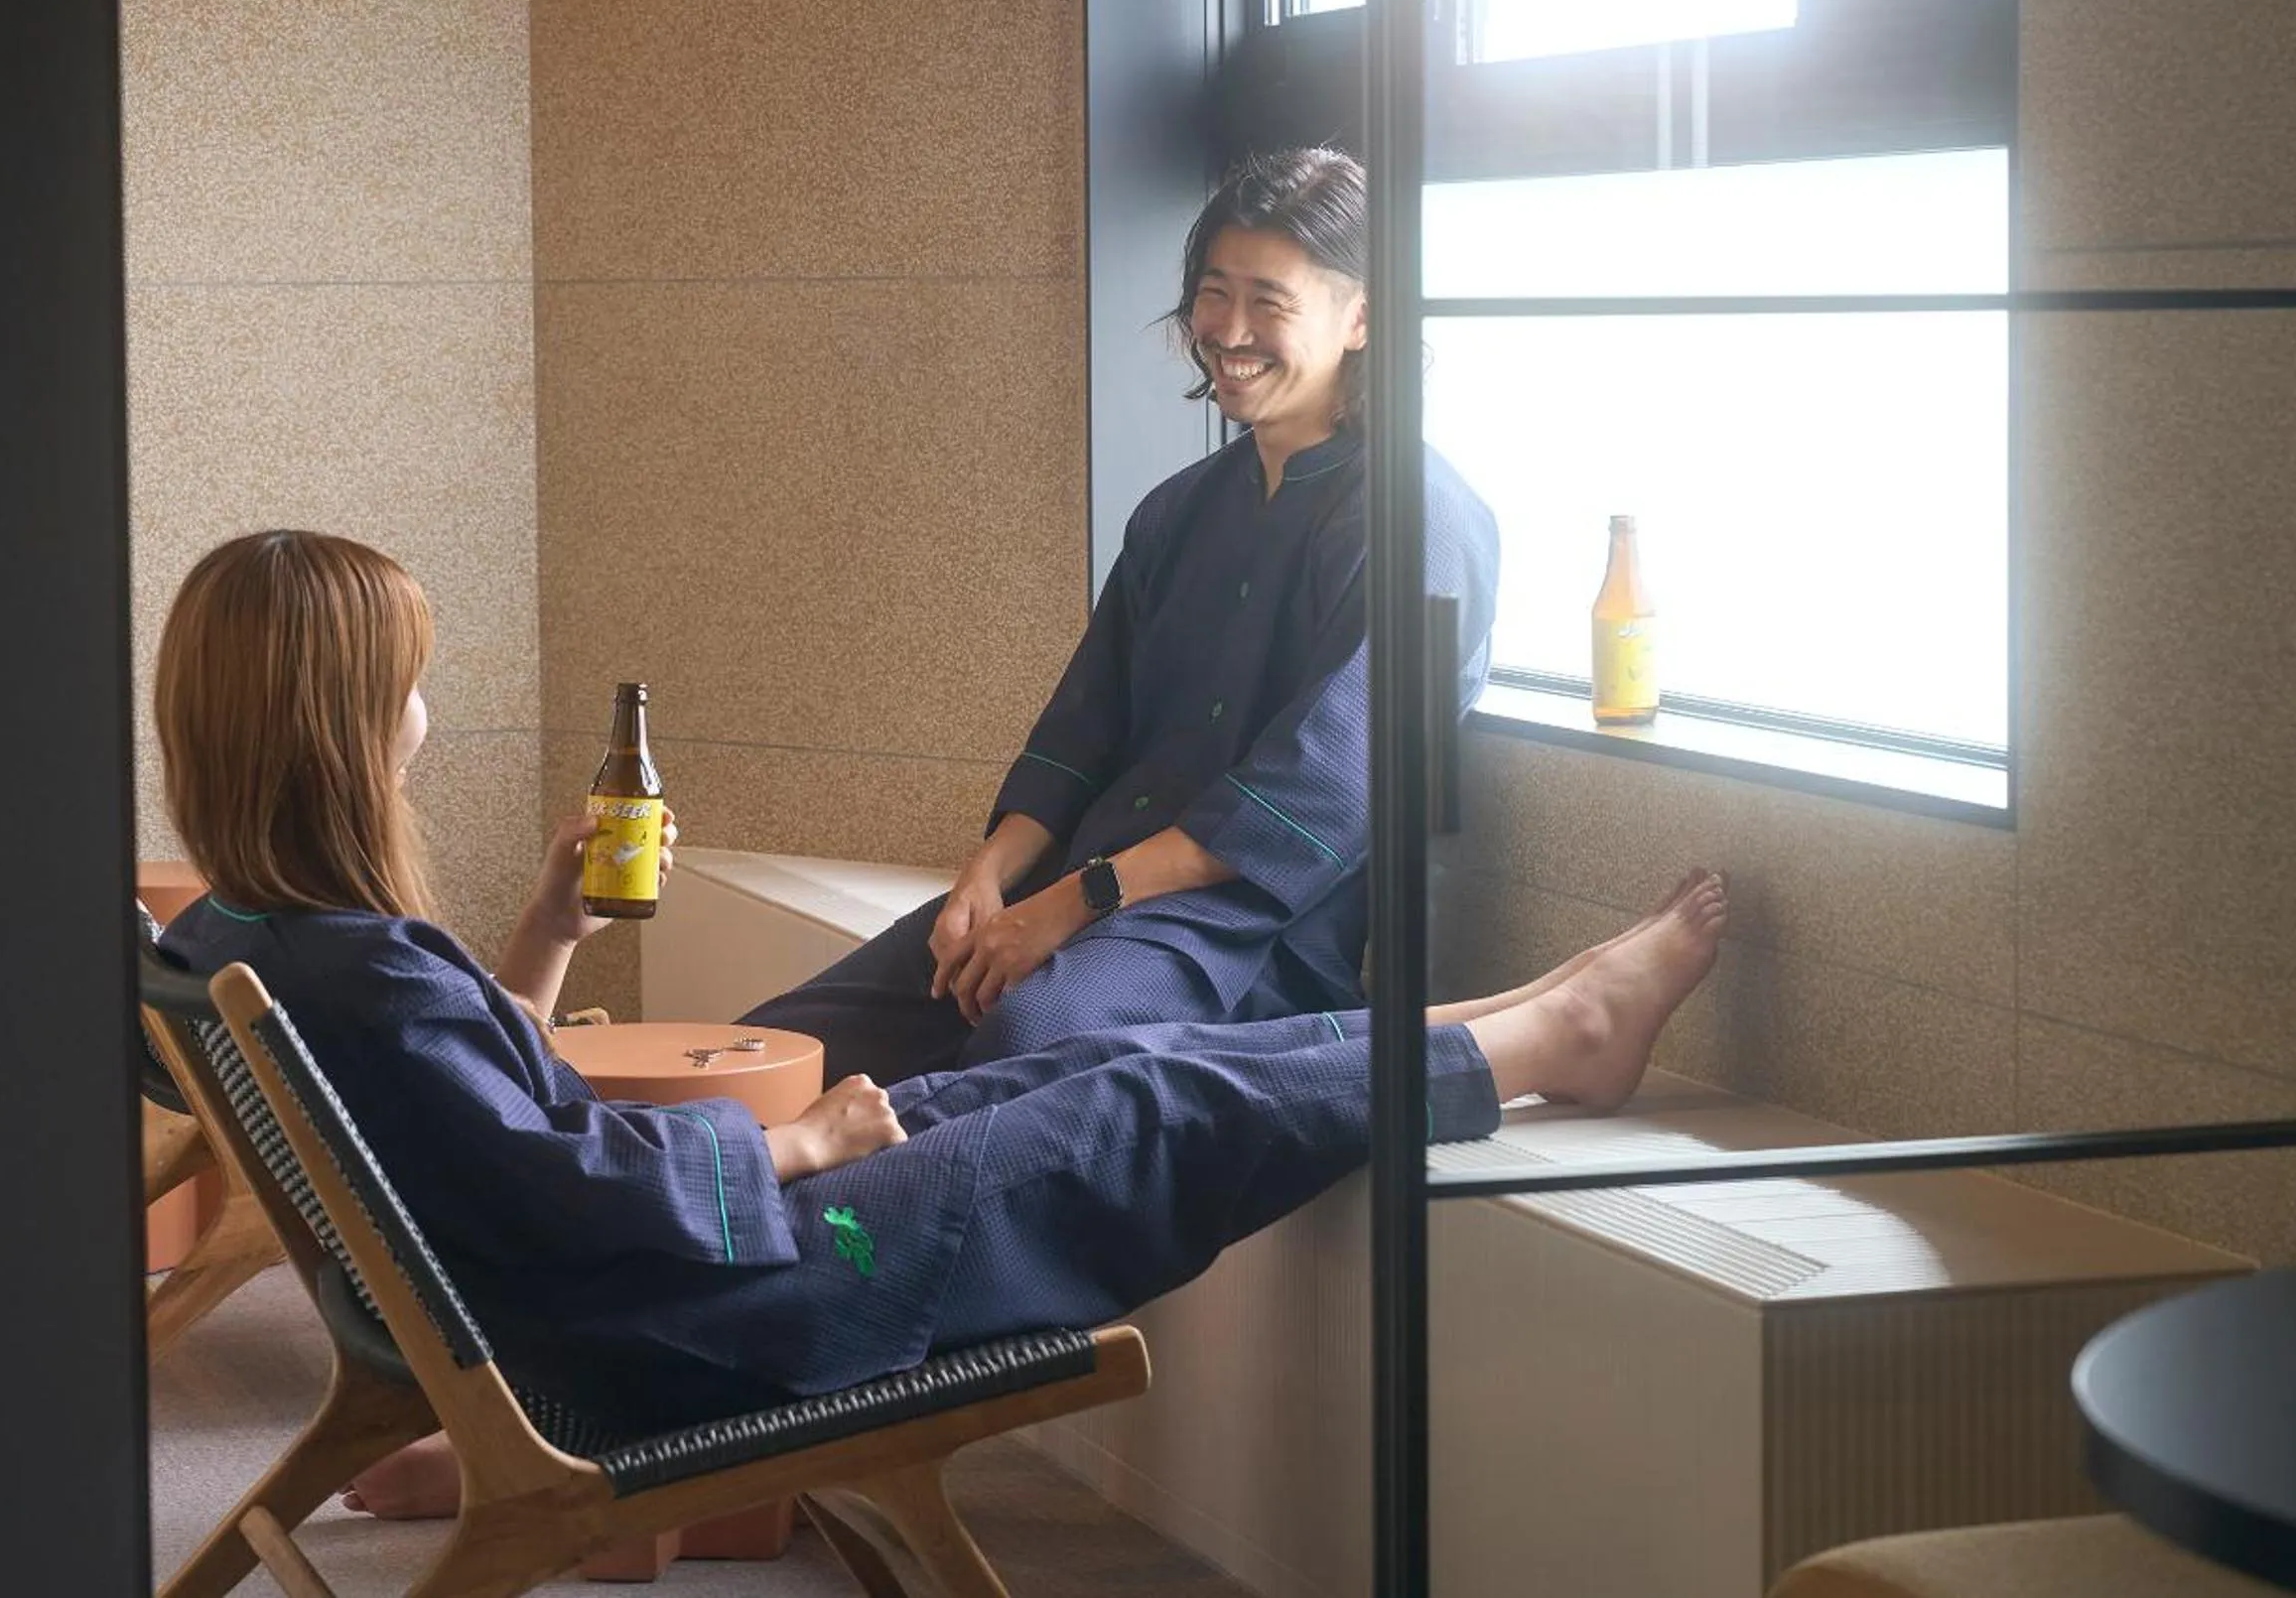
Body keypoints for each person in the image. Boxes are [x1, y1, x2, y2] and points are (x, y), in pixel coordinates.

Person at [150, 530, 1725, 1519]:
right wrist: (806, 1135)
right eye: (410, 688)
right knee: (1135, 1110)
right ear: (347, 728)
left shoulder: (252, 938)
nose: (428, 711)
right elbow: (572, 1179)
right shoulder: (361, 969)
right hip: (694, 1320)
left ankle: (1514, 1030)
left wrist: (552, 930)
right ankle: (1543, 1039)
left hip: (575, 1310)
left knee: (1098, 1060)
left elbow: (472, 1124)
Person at [745, 149, 1517, 1084]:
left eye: (1270, 302)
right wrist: (986, 877)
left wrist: (1076, 901)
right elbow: (1083, 729)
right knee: (776, 1052)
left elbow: (1320, 796)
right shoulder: (1179, 508)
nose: (1230, 330)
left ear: (1362, 318)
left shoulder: (1422, 523)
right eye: (1213, 293)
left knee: (1025, 1037)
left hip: (1249, 937)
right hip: (1079, 881)